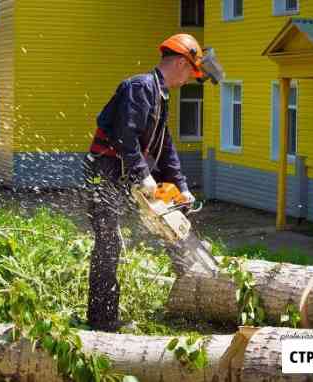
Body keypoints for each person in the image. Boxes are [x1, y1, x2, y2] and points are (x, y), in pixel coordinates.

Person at [83, 33, 223, 332]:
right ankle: (102, 323)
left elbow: (164, 145)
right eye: (191, 72)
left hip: (124, 171)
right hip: (105, 170)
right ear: (181, 63)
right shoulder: (140, 87)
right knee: (109, 244)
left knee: (170, 219)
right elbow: (125, 135)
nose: (188, 79)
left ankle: (192, 279)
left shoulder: (160, 95)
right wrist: (142, 174)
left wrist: (181, 186)